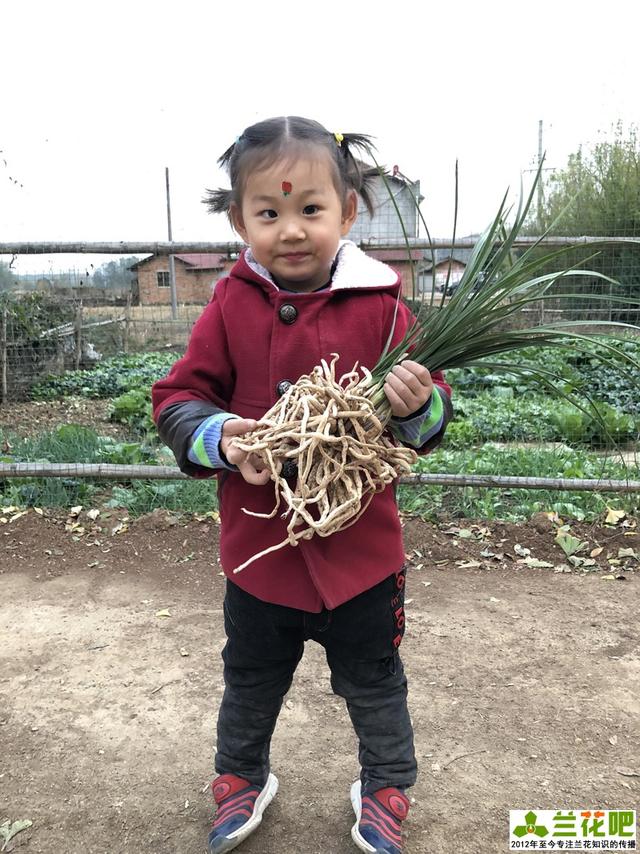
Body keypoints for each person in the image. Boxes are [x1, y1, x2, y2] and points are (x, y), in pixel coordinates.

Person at [152, 116, 453, 854]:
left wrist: (420, 404)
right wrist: (220, 437)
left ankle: (384, 785)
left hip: (362, 558)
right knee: (251, 680)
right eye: (269, 211)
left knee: (375, 681)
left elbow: (435, 409)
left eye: (310, 209)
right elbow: (177, 399)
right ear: (239, 221)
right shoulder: (229, 304)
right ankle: (239, 779)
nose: (291, 228)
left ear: (347, 214)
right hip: (261, 552)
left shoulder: (383, 307)